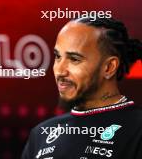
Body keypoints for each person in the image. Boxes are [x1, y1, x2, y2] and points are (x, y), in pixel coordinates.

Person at [21, 17, 142, 159]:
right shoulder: (41, 133)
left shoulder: (138, 128)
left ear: (109, 67)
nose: (60, 70)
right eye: (57, 56)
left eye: (74, 59)